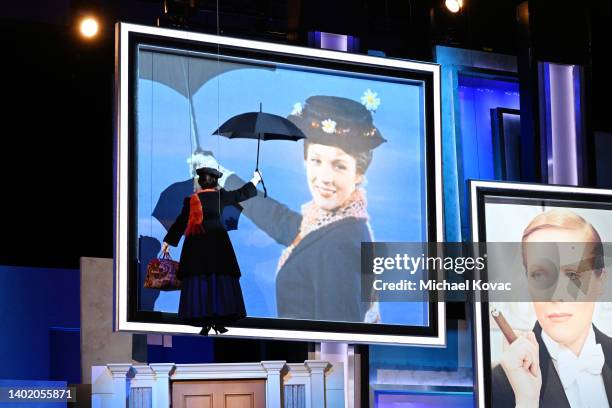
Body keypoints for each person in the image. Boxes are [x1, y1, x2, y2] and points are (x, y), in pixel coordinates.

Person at [203, 94, 387, 323]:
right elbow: (282, 222)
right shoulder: (334, 222)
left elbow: (339, 336)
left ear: (358, 172)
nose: (325, 178)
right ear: (305, 161)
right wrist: (222, 175)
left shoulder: (339, 245)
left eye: (339, 165)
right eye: (316, 161)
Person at [491, 209, 611, 408]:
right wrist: (526, 401)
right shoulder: (500, 384)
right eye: (540, 275)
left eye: (573, 274)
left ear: (600, 283)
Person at [162, 166, 262, 335]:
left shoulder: (191, 200)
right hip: (218, 243)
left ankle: (205, 323)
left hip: (196, 245)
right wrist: (255, 180)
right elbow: (242, 194)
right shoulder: (220, 196)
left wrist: (168, 241)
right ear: (216, 182)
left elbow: (181, 222)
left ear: (200, 183)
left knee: (199, 280)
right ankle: (218, 321)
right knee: (219, 279)